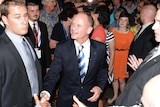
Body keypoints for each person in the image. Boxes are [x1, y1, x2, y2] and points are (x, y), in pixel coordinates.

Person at [40, 12, 108, 107]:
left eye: (78, 25)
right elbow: (53, 72)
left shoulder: (100, 48)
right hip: (66, 101)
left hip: (89, 100)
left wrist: (99, 87)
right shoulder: (62, 48)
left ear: (89, 30)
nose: (73, 28)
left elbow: (103, 71)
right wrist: (46, 92)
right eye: (72, 24)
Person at [0, 0, 50, 107]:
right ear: (5, 19)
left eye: (25, 15)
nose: (24, 21)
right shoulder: (2, 48)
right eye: (17, 17)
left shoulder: (27, 40)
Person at [115, 8, 160, 106]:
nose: (154, 27)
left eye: (159, 22)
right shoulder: (156, 50)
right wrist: (142, 69)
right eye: (155, 21)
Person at [107, 10, 134, 105]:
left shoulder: (130, 34)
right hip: (114, 55)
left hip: (124, 56)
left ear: (128, 22)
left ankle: (123, 97)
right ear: (118, 20)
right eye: (121, 20)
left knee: (122, 79)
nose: (122, 22)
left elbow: (131, 50)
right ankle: (115, 95)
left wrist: (128, 63)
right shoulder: (113, 31)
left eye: (125, 20)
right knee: (114, 78)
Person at [128, 4, 158, 76]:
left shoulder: (152, 32)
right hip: (135, 67)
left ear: (143, 14)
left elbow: (147, 52)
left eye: (140, 13)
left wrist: (141, 67)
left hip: (141, 70)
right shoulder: (144, 28)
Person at [25, 1, 51, 79]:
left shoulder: (43, 26)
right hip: (29, 63)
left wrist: (48, 65)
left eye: (37, 10)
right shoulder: (24, 27)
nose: (35, 13)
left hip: (42, 63)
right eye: (32, 11)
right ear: (27, 12)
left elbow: (46, 46)